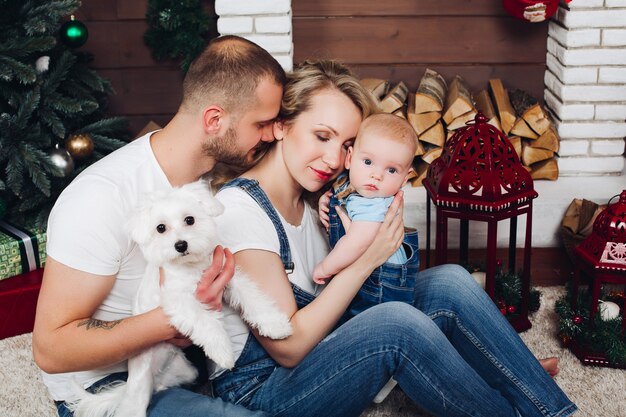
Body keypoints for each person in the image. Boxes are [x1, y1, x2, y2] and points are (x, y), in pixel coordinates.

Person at [211, 60, 577, 417]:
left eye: (347, 146)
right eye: (322, 136)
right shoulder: (241, 212)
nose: (333, 159)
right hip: (267, 390)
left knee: (450, 281)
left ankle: (538, 398)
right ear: (281, 126)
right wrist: (369, 257)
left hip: (322, 342)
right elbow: (288, 348)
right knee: (398, 326)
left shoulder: (317, 196)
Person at [31, 35, 285, 417]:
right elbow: (49, 350)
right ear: (214, 120)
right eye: (263, 123)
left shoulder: (204, 182)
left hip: (183, 361)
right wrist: (173, 320)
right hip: (109, 383)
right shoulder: (102, 198)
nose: (272, 134)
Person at [313, 113, 419, 318]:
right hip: (369, 278)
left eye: (391, 169)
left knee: (365, 320)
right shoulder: (354, 186)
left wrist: (326, 268)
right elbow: (342, 194)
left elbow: (358, 242)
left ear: (405, 178)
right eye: (368, 161)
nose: (376, 175)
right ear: (350, 158)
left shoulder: (374, 204)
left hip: (380, 288)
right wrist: (325, 200)